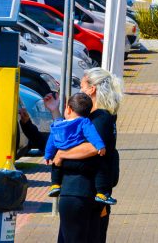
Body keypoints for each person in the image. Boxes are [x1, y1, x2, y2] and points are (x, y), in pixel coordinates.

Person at [52, 67, 123, 243]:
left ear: (92, 89)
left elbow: (93, 148)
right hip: (86, 193)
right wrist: (54, 112)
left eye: (82, 86)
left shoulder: (100, 118)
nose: (80, 90)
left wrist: (61, 155)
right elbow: (63, 136)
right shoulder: (95, 117)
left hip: (83, 192)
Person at [45, 93, 113, 205]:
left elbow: (51, 141)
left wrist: (48, 155)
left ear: (69, 108)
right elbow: (92, 135)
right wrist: (100, 145)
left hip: (61, 154)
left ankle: (55, 185)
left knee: (56, 165)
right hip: (77, 153)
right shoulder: (84, 122)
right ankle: (101, 193)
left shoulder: (58, 124)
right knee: (100, 166)